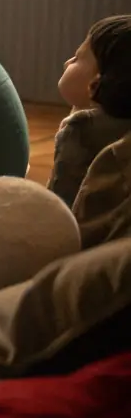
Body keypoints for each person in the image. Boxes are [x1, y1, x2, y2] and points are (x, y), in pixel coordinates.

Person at [48, 15, 131, 247]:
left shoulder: (80, 131)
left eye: (77, 58)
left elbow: (59, 206)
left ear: (97, 80)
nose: (67, 62)